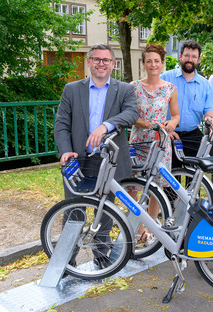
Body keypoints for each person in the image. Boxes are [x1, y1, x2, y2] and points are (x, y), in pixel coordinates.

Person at [54, 43, 138, 269]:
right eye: (97, 59)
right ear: (89, 61)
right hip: (78, 160)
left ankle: (101, 254)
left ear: (113, 64)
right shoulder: (72, 89)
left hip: (109, 160)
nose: (101, 63)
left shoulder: (124, 90)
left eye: (106, 60)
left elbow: (131, 113)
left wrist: (105, 126)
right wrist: (65, 151)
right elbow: (61, 124)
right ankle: (66, 260)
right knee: (73, 209)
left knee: (106, 209)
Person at [129, 44, 180, 246]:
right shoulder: (133, 87)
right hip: (138, 141)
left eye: (156, 61)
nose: (153, 64)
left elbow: (176, 115)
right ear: (143, 64)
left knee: (157, 186)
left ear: (162, 63)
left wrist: (172, 123)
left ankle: (150, 227)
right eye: (149, 61)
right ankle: (137, 227)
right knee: (133, 186)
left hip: (160, 144)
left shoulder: (170, 89)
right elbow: (131, 116)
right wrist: (149, 124)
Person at [160, 40, 213, 168]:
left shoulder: (205, 84)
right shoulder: (165, 78)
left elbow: (209, 109)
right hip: (169, 134)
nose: (189, 59)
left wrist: (210, 118)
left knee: (193, 177)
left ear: (198, 59)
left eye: (193, 56)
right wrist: (165, 130)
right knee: (170, 179)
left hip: (193, 136)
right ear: (180, 56)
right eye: (186, 55)